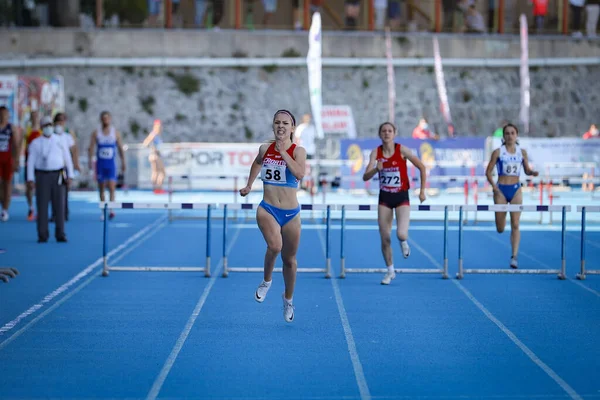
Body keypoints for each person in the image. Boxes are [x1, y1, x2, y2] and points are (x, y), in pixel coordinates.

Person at [239, 109, 306, 323]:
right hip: (267, 208)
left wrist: (283, 152)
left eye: (285, 123)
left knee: (290, 261)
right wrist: (249, 184)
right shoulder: (264, 148)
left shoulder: (298, 151)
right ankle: (266, 281)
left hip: (291, 213)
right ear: (273, 126)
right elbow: (257, 162)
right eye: (277, 122)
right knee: (275, 246)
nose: (281, 126)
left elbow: (299, 173)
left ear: (292, 128)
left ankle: (288, 299)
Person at [362, 122, 427, 285]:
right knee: (384, 238)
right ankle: (390, 271)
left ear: (394, 133)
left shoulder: (402, 150)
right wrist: (377, 169)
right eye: (383, 131)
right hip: (384, 198)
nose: (386, 133)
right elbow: (365, 177)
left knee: (401, 234)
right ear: (380, 134)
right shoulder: (375, 152)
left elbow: (422, 167)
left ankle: (404, 242)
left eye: (389, 131)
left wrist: (422, 191)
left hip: (401, 197)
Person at [485, 123, 539, 269]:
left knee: (515, 224)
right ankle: (502, 226)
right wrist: (494, 187)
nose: (510, 136)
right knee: (500, 228)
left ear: (516, 135)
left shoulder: (522, 152)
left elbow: (526, 170)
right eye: (507, 133)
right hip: (501, 190)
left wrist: (532, 173)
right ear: (503, 136)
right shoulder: (498, 152)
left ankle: (514, 256)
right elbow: (488, 172)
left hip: (516, 189)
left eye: (512, 133)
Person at [26, 116, 74, 243]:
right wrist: (30, 178)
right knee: (42, 205)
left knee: (59, 205)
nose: (48, 127)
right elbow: (30, 161)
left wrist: (70, 175)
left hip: (58, 174)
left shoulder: (60, 140)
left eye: (50, 125)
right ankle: (42, 234)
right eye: (46, 125)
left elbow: (67, 157)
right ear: (42, 127)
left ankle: (60, 233)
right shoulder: (35, 143)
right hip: (42, 175)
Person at [88, 111, 126, 220]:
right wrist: (90, 161)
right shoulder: (96, 133)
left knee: (112, 187)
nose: (106, 120)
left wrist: (123, 162)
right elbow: (91, 147)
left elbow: (120, 148)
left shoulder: (115, 133)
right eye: (103, 118)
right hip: (100, 164)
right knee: (101, 188)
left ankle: (111, 209)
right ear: (101, 120)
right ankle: (103, 211)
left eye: (107, 118)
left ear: (110, 119)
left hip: (111, 164)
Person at [53, 113, 81, 221]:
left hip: (64, 167)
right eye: (58, 121)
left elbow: (74, 150)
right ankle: (55, 213)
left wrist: (75, 164)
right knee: (53, 191)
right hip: (53, 167)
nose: (60, 124)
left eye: (62, 121)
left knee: (64, 189)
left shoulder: (67, 136)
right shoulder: (51, 136)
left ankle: (64, 211)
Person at [0, 106, 20, 222]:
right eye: (1, 114)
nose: (3, 116)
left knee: (7, 185)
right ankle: (2, 202)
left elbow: (16, 145)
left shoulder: (11, 128)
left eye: (5, 114)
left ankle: (5, 210)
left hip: (7, 160)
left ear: (8, 115)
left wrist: (16, 161)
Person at [24, 110, 42, 221]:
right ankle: (31, 207)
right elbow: (24, 145)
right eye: (33, 116)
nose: (35, 117)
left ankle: (40, 208)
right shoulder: (27, 130)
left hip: (40, 163)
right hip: (29, 161)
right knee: (29, 186)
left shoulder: (42, 130)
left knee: (40, 186)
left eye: (37, 115)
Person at [142, 119, 166, 194]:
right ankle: (158, 188)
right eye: (158, 126)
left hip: (156, 155)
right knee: (161, 172)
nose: (160, 128)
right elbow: (145, 143)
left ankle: (156, 188)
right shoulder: (153, 134)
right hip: (155, 155)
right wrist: (153, 149)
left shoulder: (157, 135)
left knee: (156, 172)